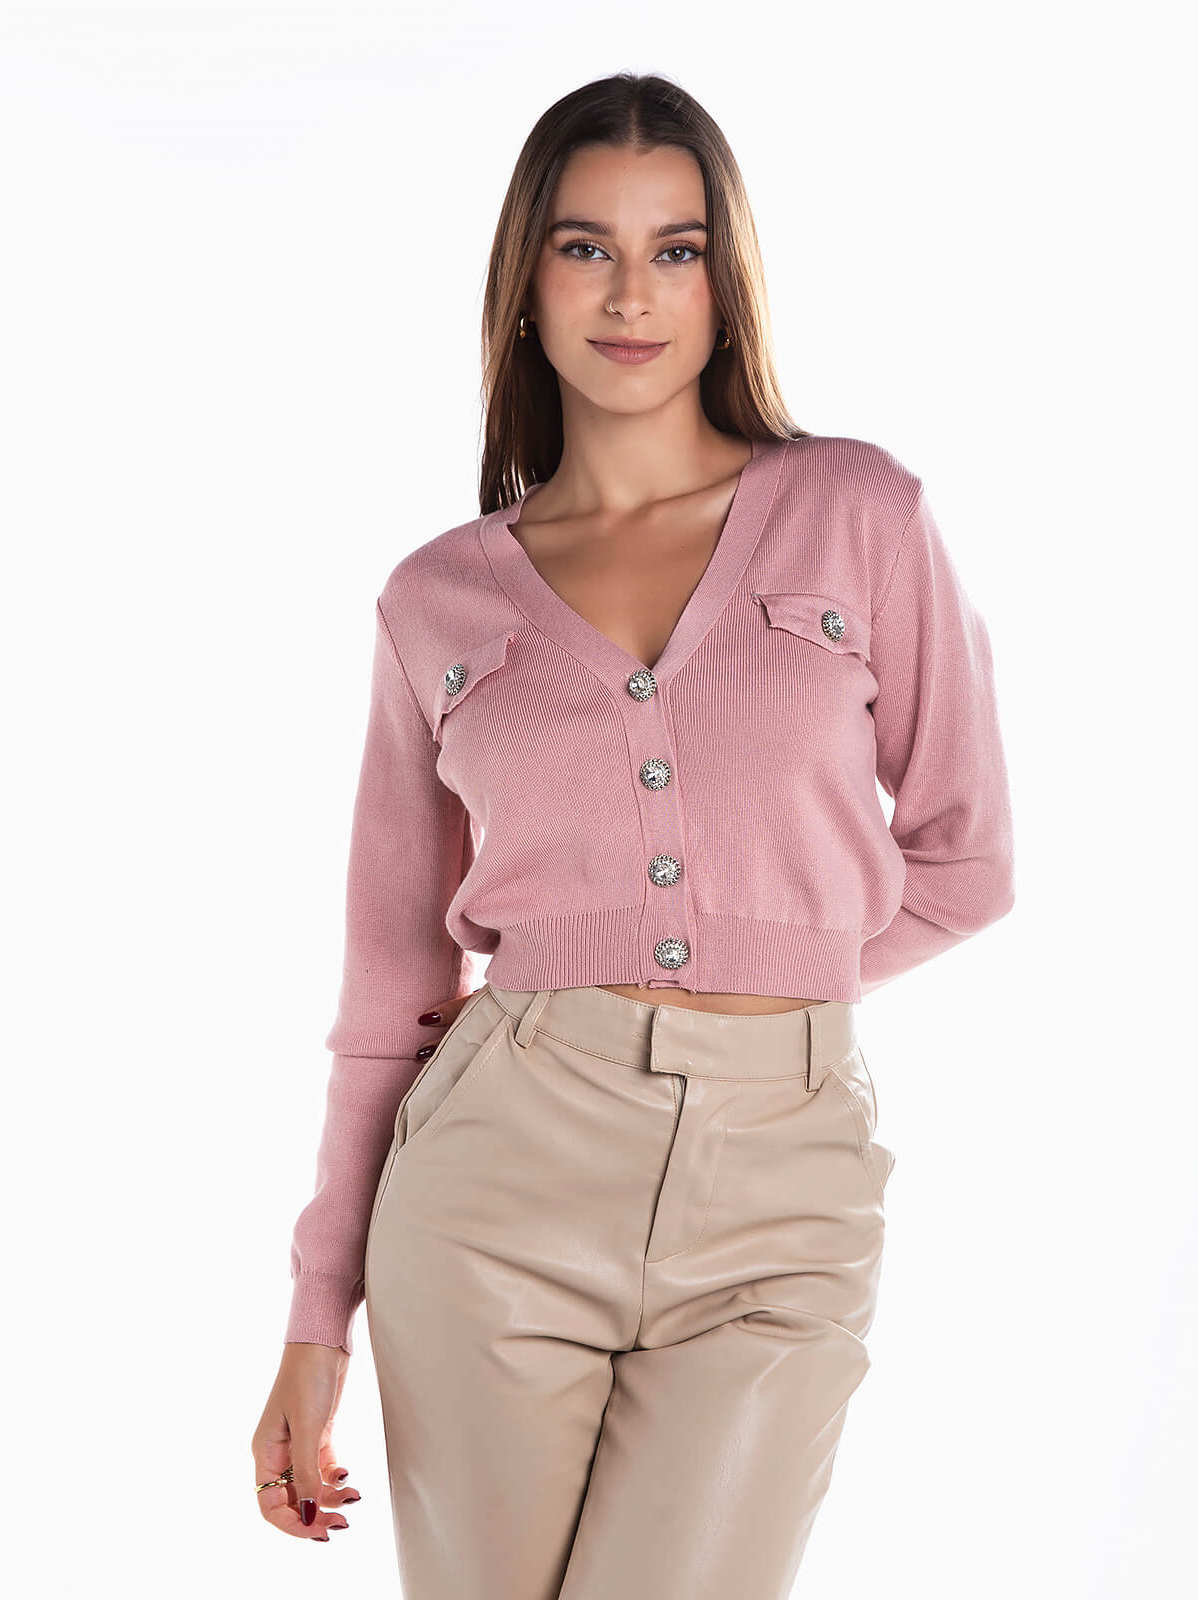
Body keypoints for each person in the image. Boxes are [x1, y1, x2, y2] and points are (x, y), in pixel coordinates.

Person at [251, 70, 1015, 1596]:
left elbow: (967, 864)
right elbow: (388, 991)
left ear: (726, 286)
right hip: (494, 1186)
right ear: (524, 281)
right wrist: (316, 1318)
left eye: (676, 250)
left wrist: (759, 974)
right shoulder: (436, 600)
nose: (629, 294)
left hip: (784, 1195)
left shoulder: (857, 511)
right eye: (585, 247)